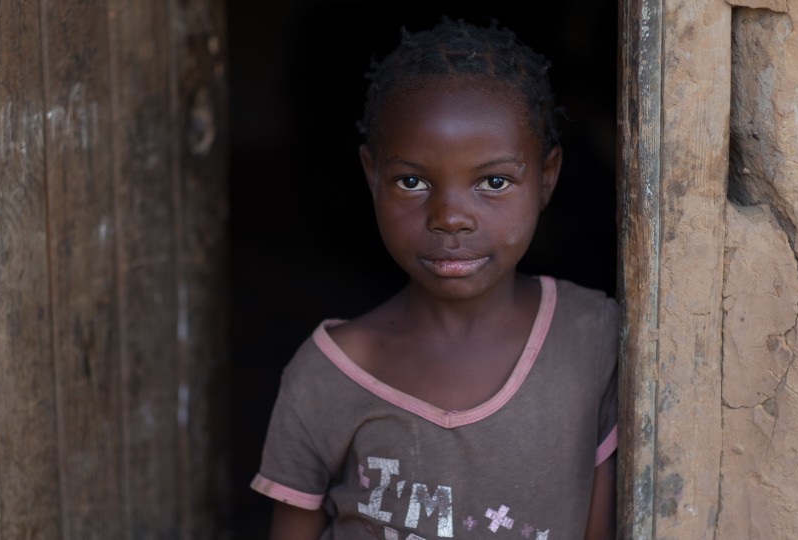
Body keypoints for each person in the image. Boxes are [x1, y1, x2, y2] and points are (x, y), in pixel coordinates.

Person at [250, 16, 618, 540]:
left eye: (493, 181)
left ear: (546, 178)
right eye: (412, 181)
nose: (450, 216)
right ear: (372, 178)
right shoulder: (328, 375)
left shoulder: (594, 339)